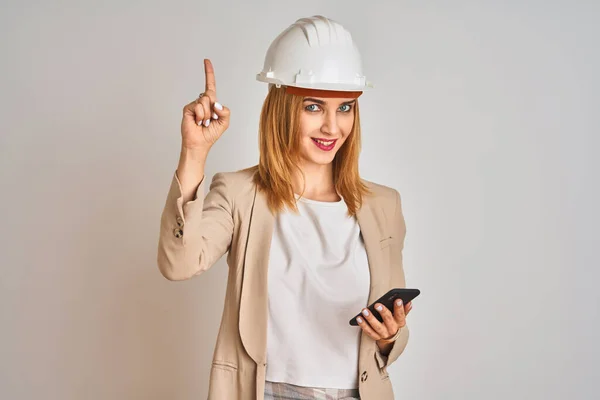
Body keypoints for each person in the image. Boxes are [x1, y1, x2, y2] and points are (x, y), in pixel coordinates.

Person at [157, 15, 413, 400]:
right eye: (313, 106)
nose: (332, 126)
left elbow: (391, 338)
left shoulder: (383, 206)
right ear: (281, 107)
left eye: (344, 107)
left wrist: (389, 334)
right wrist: (194, 153)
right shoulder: (240, 193)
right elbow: (178, 263)